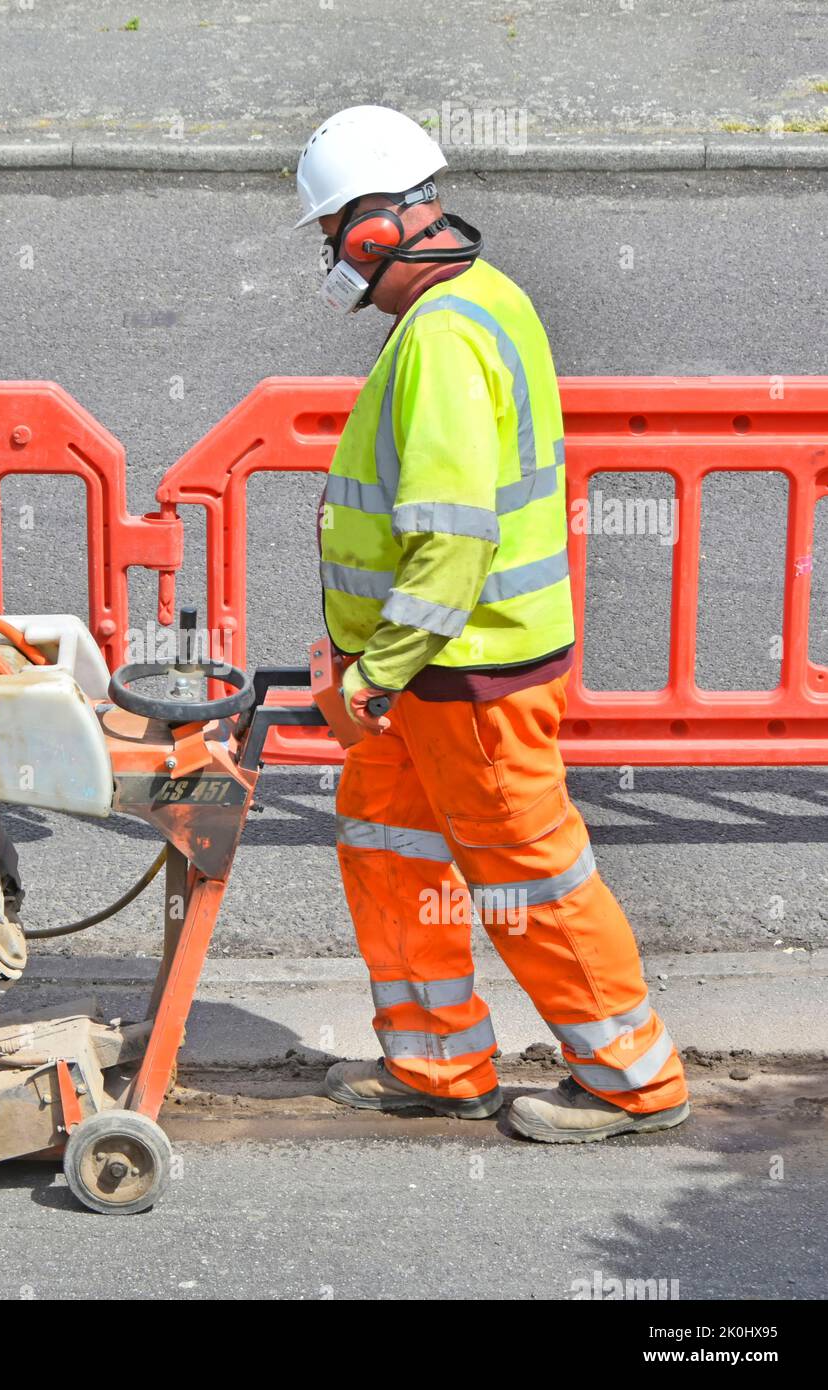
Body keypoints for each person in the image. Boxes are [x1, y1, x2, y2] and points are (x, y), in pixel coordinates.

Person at [298, 105, 688, 1141]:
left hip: (465, 675)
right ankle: (436, 1063)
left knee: (528, 876)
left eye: (331, 233)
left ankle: (630, 1079)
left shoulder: (442, 336)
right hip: (425, 675)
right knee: (386, 846)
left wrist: (370, 674)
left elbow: (450, 542)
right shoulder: (478, 301)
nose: (330, 256)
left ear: (375, 229)